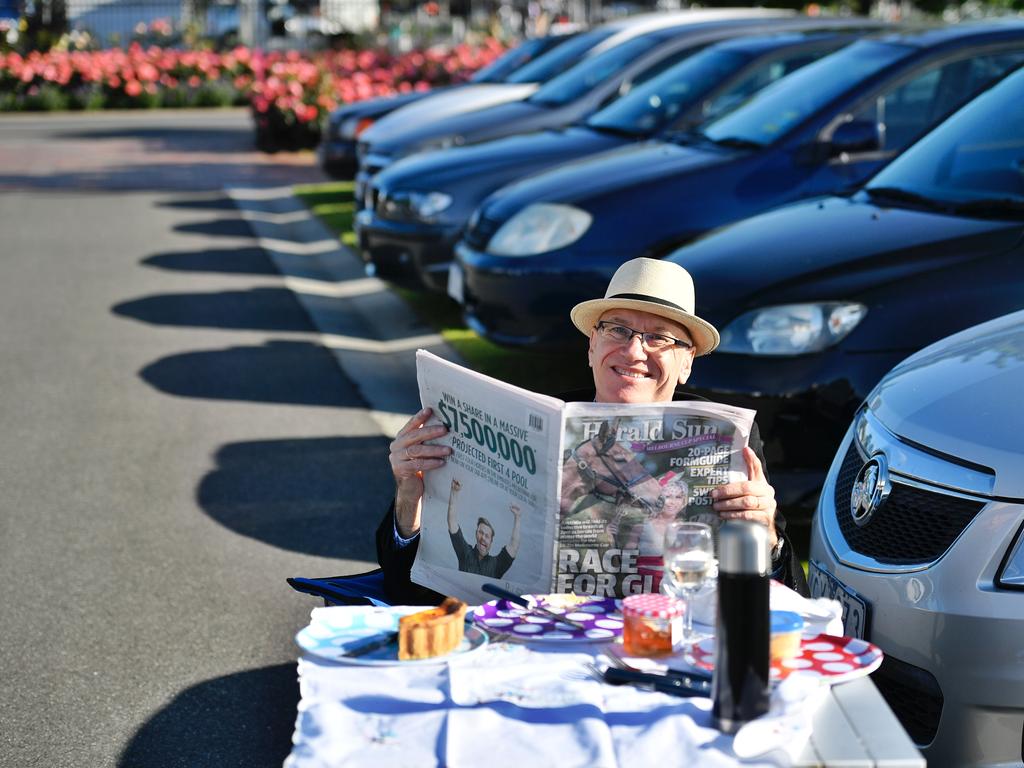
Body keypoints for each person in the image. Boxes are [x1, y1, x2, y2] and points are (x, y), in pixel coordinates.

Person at [376, 257, 809, 604]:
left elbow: (789, 600)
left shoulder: (728, 441)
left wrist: (766, 536)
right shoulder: (535, 421)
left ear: (687, 362)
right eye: (618, 329)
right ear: (592, 346)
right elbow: (409, 594)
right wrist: (409, 501)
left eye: (659, 337)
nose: (634, 350)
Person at [445, 477, 521, 577]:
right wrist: (454, 491)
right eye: (481, 532)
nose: (483, 538)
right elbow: (452, 522)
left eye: (487, 536)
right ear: (476, 533)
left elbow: (514, 546)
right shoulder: (465, 553)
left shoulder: (496, 565)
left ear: (491, 541)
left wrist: (517, 517)